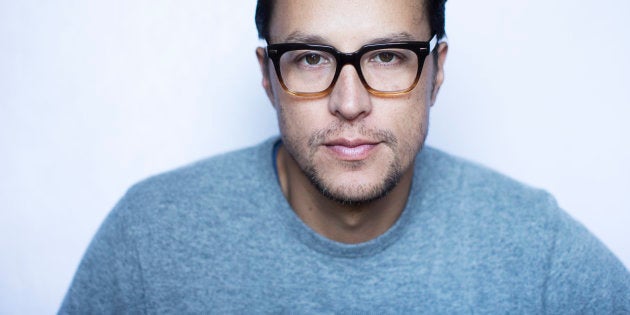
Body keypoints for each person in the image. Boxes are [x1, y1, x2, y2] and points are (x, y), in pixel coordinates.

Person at [59, 0, 629, 313]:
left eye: (387, 56)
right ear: (268, 76)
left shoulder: (536, 251)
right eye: (310, 58)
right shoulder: (152, 237)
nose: (349, 103)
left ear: (437, 71)